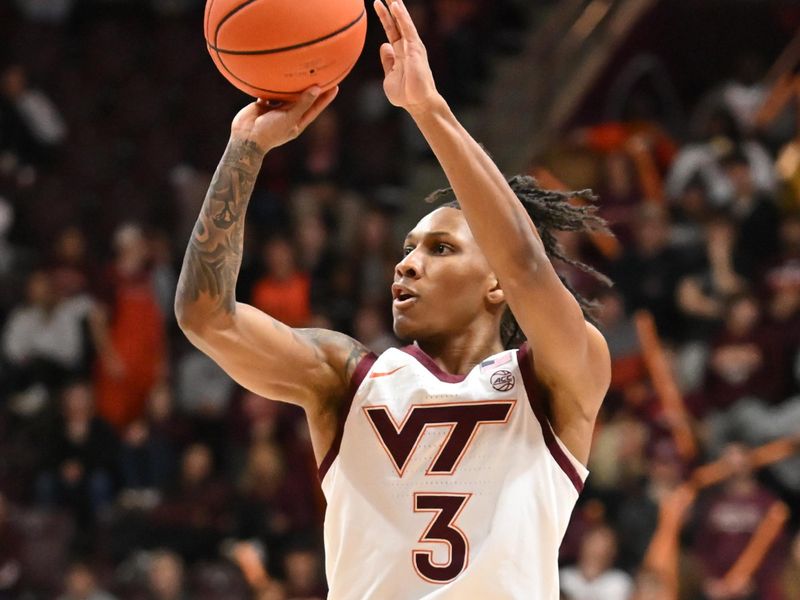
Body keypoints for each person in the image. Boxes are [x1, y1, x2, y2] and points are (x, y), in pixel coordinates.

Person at [174, 1, 611, 597]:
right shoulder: (345, 378)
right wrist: (244, 149)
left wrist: (429, 109)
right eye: (407, 248)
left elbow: (528, 267)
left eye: (440, 249)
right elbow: (205, 316)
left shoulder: (556, 380)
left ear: (496, 284)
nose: (406, 263)